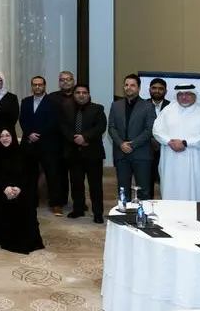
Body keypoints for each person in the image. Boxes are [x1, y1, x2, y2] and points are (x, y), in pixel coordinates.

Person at [153, 84, 200, 203]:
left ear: (195, 94)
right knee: (173, 195)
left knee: (199, 196)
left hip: (198, 165)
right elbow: (156, 130)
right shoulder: (167, 111)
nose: (184, 97)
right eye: (180, 94)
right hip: (172, 164)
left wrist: (186, 143)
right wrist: (168, 141)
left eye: (188, 94)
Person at [0, 127, 44, 254]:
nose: (5, 138)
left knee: (25, 202)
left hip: (20, 188)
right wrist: (5, 188)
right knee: (3, 201)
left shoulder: (22, 152)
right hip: (0, 190)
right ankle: (4, 237)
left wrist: (18, 188)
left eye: (7, 135)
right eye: (2, 136)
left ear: (12, 137)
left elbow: (28, 175)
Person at [59, 84, 107, 223]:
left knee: (95, 185)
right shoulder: (66, 108)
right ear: (74, 94)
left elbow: (100, 127)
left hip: (93, 154)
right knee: (76, 184)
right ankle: (78, 209)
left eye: (84, 92)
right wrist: (75, 139)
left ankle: (98, 213)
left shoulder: (98, 109)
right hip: (73, 154)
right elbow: (62, 126)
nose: (81, 95)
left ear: (89, 94)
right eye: (78, 92)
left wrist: (85, 137)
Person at [108, 74, 156, 201]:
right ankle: (124, 217)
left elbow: (150, 130)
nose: (128, 88)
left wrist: (132, 144)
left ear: (139, 88)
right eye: (126, 85)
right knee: (123, 190)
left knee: (144, 190)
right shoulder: (116, 105)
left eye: (132, 85)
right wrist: (121, 144)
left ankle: (143, 218)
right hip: (121, 153)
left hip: (141, 154)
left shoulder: (148, 106)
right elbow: (111, 128)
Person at [20, 76, 63, 214]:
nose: (37, 87)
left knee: (52, 175)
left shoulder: (53, 102)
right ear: (31, 86)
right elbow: (22, 120)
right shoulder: (25, 101)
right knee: (30, 175)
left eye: (40, 85)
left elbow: (53, 122)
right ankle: (31, 201)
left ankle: (56, 203)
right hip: (30, 144)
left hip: (48, 144)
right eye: (34, 85)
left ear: (45, 86)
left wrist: (38, 134)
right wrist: (29, 134)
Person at [147, 78, 170, 199]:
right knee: (146, 184)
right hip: (146, 150)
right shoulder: (142, 105)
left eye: (160, 89)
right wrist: (150, 140)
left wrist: (161, 141)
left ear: (165, 91)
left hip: (166, 151)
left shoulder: (172, 107)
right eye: (154, 88)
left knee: (167, 183)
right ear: (149, 89)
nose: (157, 91)